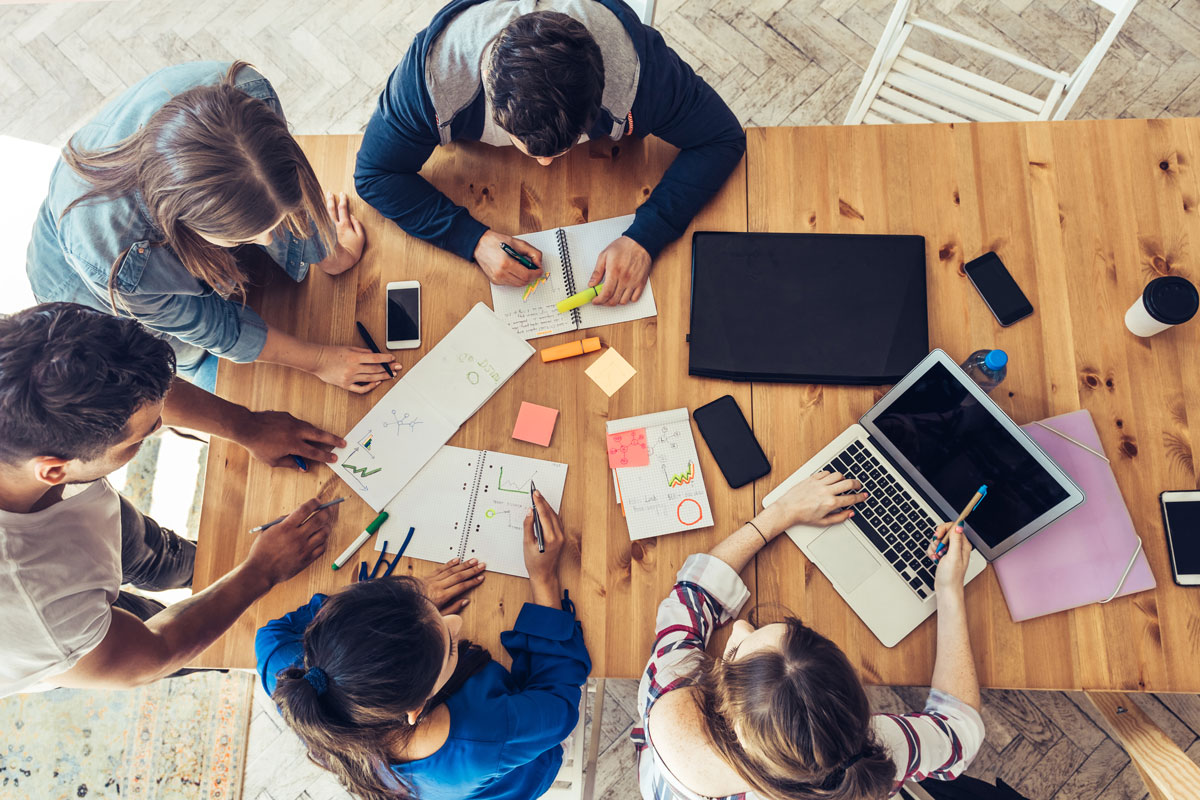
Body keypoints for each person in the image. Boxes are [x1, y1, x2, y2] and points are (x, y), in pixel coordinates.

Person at [0, 303, 349, 695]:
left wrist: (246, 426)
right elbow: (151, 653)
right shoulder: (37, 611)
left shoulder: (18, 360)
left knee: (158, 552)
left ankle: (197, 570)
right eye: (142, 437)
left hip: (71, 530)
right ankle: (230, 661)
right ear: (53, 470)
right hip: (63, 632)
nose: (160, 426)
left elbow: (140, 393)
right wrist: (261, 570)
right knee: (187, 643)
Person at [26, 60, 395, 395]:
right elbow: (217, 329)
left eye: (272, 225)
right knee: (198, 362)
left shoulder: (249, 93)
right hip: (84, 285)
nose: (268, 240)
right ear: (182, 224)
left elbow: (271, 188)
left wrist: (328, 253)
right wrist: (320, 361)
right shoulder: (122, 263)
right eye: (243, 237)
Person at [355, 0, 745, 306]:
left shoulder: (644, 74)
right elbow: (373, 175)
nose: (544, 164)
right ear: (492, 102)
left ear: (601, 96)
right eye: (530, 148)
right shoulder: (429, 82)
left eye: (568, 144)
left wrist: (647, 236)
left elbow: (723, 138)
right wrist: (470, 239)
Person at [633, 471, 985, 799]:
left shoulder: (668, 690)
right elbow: (961, 733)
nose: (739, 626)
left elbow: (694, 594)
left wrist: (781, 513)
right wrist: (950, 590)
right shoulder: (873, 754)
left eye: (737, 650)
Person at [256, 491, 590, 800]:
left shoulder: (293, 674)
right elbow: (558, 703)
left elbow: (269, 636)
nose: (455, 622)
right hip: (511, 773)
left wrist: (394, 611)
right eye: (450, 647)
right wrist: (544, 579)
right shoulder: (484, 735)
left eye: (424, 602)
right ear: (417, 707)